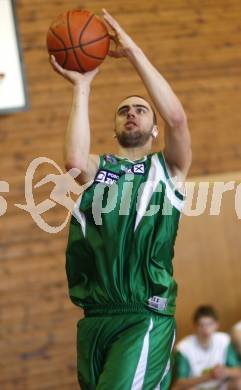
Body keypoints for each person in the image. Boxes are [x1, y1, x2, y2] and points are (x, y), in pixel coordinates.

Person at [50, 8, 192, 389]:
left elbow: (178, 118)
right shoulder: (101, 168)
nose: (132, 113)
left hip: (144, 315)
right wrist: (81, 86)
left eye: (141, 109)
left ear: (155, 127)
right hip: (95, 318)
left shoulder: (169, 169)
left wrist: (130, 50)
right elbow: (74, 161)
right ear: (114, 129)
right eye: (124, 111)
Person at [173, 306, 241, 390]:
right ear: (195, 326)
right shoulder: (184, 348)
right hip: (197, 387)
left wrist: (226, 372)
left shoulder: (224, 340)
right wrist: (209, 376)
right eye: (201, 325)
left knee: (239, 382)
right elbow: (179, 383)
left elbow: (238, 370)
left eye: (210, 324)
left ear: (216, 325)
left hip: (221, 386)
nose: (206, 330)